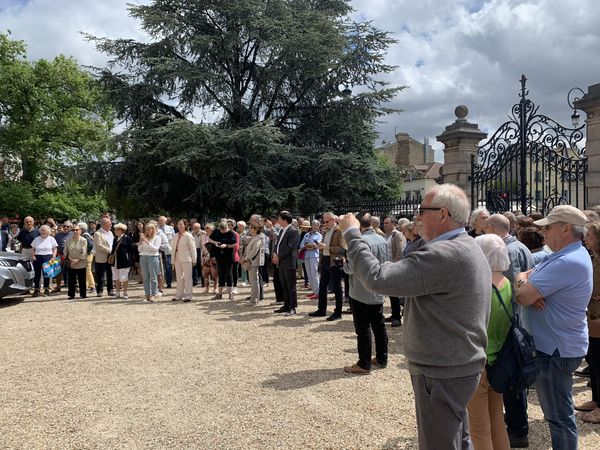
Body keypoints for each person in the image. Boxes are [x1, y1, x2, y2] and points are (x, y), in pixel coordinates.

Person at [338, 183, 491, 450]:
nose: (417, 216)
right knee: (457, 438)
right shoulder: (465, 245)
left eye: (422, 210)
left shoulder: (444, 253)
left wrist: (352, 234)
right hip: (457, 364)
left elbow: (378, 279)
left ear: (443, 214)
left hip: (442, 370)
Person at [515, 205, 592, 449]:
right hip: (556, 345)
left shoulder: (566, 261)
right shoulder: (564, 255)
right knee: (558, 416)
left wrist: (526, 286)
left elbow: (523, 295)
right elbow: (524, 277)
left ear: (566, 228)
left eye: (548, 227)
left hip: (555, 350)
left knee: (559, 418)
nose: (543, 232)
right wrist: (525, 282)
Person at [485, 213, 534, 447]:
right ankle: (515, 425)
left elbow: (512, 290)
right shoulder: (520, 246)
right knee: (515, 377)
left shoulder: (507, 250)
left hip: (508, 324)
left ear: (492, 228)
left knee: (511, 380)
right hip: (516, 321)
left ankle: (518, 430)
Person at [467, 234, 512, 450]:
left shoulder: (478, 286)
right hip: (501, 361)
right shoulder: (508, 284)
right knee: (497, 422)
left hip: (479, 362)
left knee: (478, 429)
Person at [343, 212, 389, 375]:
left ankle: (364, 363)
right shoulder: (382, 239)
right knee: (379, 325)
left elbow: (351, 268)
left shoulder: (359, 241)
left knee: (363, 328)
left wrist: (344, 264)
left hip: (361, 290)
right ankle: (382, 358)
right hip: (378, 289)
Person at [576, 221, 600, 423]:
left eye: (590, 235)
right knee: (594, 361)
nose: (586, 238)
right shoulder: (593, 257)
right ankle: (596, 400)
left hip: (598, 317)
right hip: (592, 316)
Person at [309, 212, 346, 321]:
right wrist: (319, 246)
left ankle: (338, 312)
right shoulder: (326, 231)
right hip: (325, 260)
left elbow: (342, 249)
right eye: (323, 221)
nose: (324, 223)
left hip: (334, 262)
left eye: (326, 221)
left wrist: (327, 247)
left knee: (337, 288)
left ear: (333, 220)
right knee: (322, 287)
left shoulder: (339, 231)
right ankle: (321, 309)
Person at [272, 211, 300, 316]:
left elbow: (290, 247)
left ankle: (292, 307)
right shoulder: (281, 230)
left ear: (284, 220)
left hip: (288, 262)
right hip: (282, 262)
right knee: (284, 285)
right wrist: (275, 253)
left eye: (279, 219)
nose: (278, 220)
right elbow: (277, 243)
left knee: (291, 286)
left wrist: (278, 256)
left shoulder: (293, 231)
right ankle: (286, 305)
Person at [383, 216, 406, 327]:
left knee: (395, 293)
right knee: (390, 292)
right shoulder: (386, 235)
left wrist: (394, 265)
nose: (384, 225)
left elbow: (400, 251)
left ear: (393, 224)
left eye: (387, 223)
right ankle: (394, 314)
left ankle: (397, 317)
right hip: (387, 266)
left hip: (394, 267)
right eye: (384, 223)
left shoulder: (397, 235)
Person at [208, 219, 237, 300]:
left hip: (228, 256)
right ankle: (219, 293)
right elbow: (209, 239)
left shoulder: (231, 233)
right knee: (221, 274)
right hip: (219, 256)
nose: (223, 231)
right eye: (221, 230)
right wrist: (215, 242)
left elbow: (234, 244)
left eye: (224, 230)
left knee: (229, 274)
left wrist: (226, 245)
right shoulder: (216, 231)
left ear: (227, 227)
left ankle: (230, 293)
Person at [171, 219, 197, 302]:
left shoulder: (188, 235)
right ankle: (179, 295)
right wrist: (172, 260)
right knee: (179, 277)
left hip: (186, 258)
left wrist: (194, 260)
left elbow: (193, 248)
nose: (179, 226)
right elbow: (173, 248)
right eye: (178, 224)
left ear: (185, 225)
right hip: (177, 258)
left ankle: (188, 296)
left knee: (188, 277)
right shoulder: (175, 235)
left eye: (181, 224)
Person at [31, 225, 58, 297]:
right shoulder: (36, 239)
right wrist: (33, 255)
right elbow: (33, 248)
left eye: (44, 230)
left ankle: (46, 289)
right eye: (42, 230)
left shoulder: (51, 239)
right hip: (37, 257)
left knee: (47, 274)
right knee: (37, 274)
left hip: (48, 257)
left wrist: (53, 257)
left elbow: (55, 248)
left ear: (48, 231)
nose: (43, 232)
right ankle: (37, 289)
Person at [138, 222, 162, 302]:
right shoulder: (144, 238)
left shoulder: (157, 238)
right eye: (146, 229)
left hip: (153, 257)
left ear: (153, 230)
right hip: (143, 257)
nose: (147, 231)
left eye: (149, 229)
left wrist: (147, 242)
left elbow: (155, 249)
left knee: (153, 277)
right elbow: (139, 250)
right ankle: (147, 295)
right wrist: (141, 242)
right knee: (145, 278)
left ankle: (154, 294)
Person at [63, 224, 88, 300]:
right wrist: (71, 259)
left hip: (81, 262)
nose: (75, 231)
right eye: (73, 230)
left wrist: (77, 260)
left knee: (82, 279)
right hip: (71, 263)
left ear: (80, 231)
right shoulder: (68, 241)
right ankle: (71, 294)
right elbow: (65, 251)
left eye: (77, 230)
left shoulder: (84, 240)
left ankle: (83, 294)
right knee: (71, 280)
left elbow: (84, 252)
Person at [110, 223, 134, 299]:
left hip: (124, 261)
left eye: (115, 229)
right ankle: (117, 293)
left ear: (120, 230)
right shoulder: (115, 238)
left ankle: (125, 293)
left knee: (124, 277)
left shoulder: (128, 238)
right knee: (116, 277)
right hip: (115, 261)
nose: (114, 231)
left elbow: (132, 249)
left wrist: (127, 257)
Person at [300, 220, 322, 299]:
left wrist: (308, 246)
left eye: (317, 225)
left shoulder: (319, 235)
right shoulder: (307, 235)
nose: (315, 227)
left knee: (314, 273)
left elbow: (316, 245)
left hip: (314, 256)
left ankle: (317, 292)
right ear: (311, 226)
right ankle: (314, 291)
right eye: (314, 225)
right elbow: (301, 245)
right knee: (309, 274)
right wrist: (309, 246)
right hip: (307, 256)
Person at [244, 223, 265, 305]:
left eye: (251, 228)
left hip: (253, 261)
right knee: (253, 281)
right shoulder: (254, 237)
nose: (249, 229)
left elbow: (254, 251)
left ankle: (254, 300)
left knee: (254, 281)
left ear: (256, 229)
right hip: (252, 261)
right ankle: (255, 299)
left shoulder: (258, 238)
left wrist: (246, 258)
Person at [93, 218, 115, 297]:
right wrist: (110, 251)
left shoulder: (111, 233)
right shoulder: (97, 233)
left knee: (110, 274)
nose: (111, 225)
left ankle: (110, 290)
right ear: (104, 224)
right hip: (101, 257)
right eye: (109, 223)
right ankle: (99, 291)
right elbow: (99, 246)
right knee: (100, 275)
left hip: (110, 257)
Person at [157, 216, 174, 288]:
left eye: (161, 220)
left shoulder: (170, 228)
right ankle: (160, 283)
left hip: (168, 250)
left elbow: (173, 238)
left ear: (165, 221)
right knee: (160, 268)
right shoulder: (156, 229)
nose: (160, 221)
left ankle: (169, 282)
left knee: (168, 267)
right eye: (159, 220)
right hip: (159, 250)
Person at [202, 224, 219, 294]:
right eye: (205, 228)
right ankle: (207, 288)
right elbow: (202, 246)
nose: (206, 229)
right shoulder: (203, 236)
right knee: (205, 273)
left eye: (207, 228)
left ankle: (215, 288)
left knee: (214, 273)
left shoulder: (216, 236)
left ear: (212, 229)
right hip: (205, 256)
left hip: (213, 256)